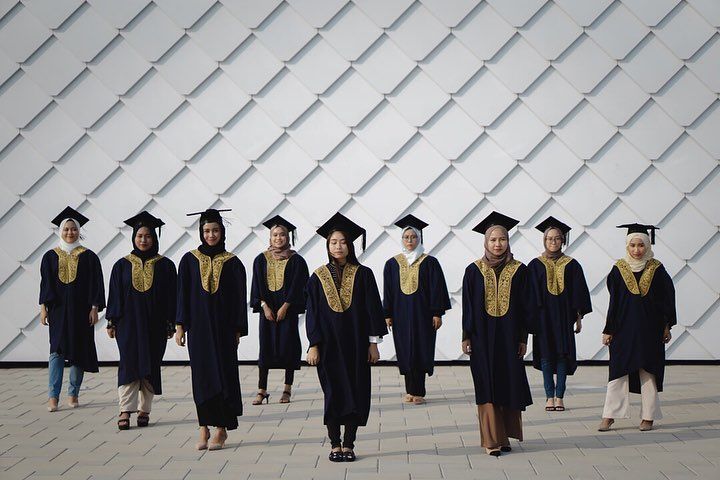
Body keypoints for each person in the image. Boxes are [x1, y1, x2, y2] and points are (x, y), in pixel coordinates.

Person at [305, 212, 387, 463]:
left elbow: (373, 309)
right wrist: (313, 344)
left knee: (355, 392)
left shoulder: (364, 274)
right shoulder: (317, 276)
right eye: (333, 242)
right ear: (327, 246)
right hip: (328, 347)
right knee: (333, 393)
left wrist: (373, 344)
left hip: (357, 346)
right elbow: (313, 314)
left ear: (350, 245)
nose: (338, 246)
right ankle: (334, 444)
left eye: (342, 242)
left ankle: (349, 444)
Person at [461, 211, 537, 456]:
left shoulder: (520, 270)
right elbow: (468, 306)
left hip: (510, 338)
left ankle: (505, 437)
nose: (497, 244)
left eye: (502, 239)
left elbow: (527, 307)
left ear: (508, 241)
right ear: (485, 242)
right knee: (487, 384)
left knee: (508, 384)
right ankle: (491, 440)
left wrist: (524, 338)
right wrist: (466, 336)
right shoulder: (473, 271)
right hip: (481, 339)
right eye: (493, 240)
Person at [175, 208, 247, 450]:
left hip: (224, 330)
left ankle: (221, 428)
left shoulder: (233, 262)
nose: (211, 235)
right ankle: (203, 427)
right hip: (199, 330)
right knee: (202, 378)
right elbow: (182, 295)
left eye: (215, 230)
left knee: (224, 377)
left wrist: (238, 328)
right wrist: (179, 326)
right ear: (200, 232)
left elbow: (239, 298)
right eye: (206, 231)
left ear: (222, 231)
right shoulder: (189, 260)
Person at [598, 224, 676, 432]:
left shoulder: (657, 269)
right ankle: (610, 415)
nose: (636, 250)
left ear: (647, 245)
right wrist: (609, 329)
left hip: (650, 330)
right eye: (632, 245)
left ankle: (648, 416)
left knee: (648, 372)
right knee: (617, 372)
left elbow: (668, 300)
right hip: (623, 330)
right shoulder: (618, 269)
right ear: (627, 246)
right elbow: (614, 303)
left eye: (641, 245)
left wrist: (667, 326)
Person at [106, 211, 177, 430]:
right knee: (128, 365)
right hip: (128, 325)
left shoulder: (165, 265)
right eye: (139, 236)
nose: (144, 240)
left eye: (147, 236)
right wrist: (112, 321)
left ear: (154, 238)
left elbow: (172, 297)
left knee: (150, 366)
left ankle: (144, 410)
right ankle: (125, 410)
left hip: (155, 326)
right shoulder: (122, 265)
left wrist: (171, 323)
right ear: (133, 238)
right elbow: (115, 294)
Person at [39, 206, 105, 412]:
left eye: (74, 229)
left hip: (81, 311)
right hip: (58, 311)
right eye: (66, 229)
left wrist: (94, 308)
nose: (70, 233)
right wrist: (43, 308)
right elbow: (46, 284)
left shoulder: (89, 256)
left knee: (78, 351)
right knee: (56, 352)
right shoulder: (50, 256)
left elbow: (96, 283)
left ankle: (73, 393)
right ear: (60, 231)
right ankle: (53, 396)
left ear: (79, 231)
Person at [383, 214, 450, 405]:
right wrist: (387, 313)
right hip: (400, 316)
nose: (410, 240)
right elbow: (387, 290)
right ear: (402, 239)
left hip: (424, 316)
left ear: (419, 238)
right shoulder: (392, 264)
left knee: (420, 349)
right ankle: (409, 390)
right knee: (405, 350)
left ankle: (418, 391)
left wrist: (437, 312)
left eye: (413, 237)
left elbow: (437, 290)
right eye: (406, 237)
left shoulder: (430, 262)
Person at [528, 216, 592, 412]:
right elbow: (529, 295)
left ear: (563, 240)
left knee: (562, 356)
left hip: (564, 318)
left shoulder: (572, 265)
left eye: (557, 238)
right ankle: (549, 396)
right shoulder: (535, 265)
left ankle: (560, 396)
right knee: (547, 356)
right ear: (544, 240)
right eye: (549, 238)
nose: (553, 242)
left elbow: (579, 294)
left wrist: (579, 319)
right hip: (543, 319)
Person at [250, 215, 309, 405]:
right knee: (265, 349)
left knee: (288, 348)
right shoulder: (261, 260)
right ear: (270, 238)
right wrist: (264, 306)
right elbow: (256, 285)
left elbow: (299, 286)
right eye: (275, 235)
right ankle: (262, 390)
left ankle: (287, 389)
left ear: (288, 237)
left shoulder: (297, 260)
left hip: (288, 312)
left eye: (282, 235)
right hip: (267, 312)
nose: (278, 238)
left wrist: (286, 306)